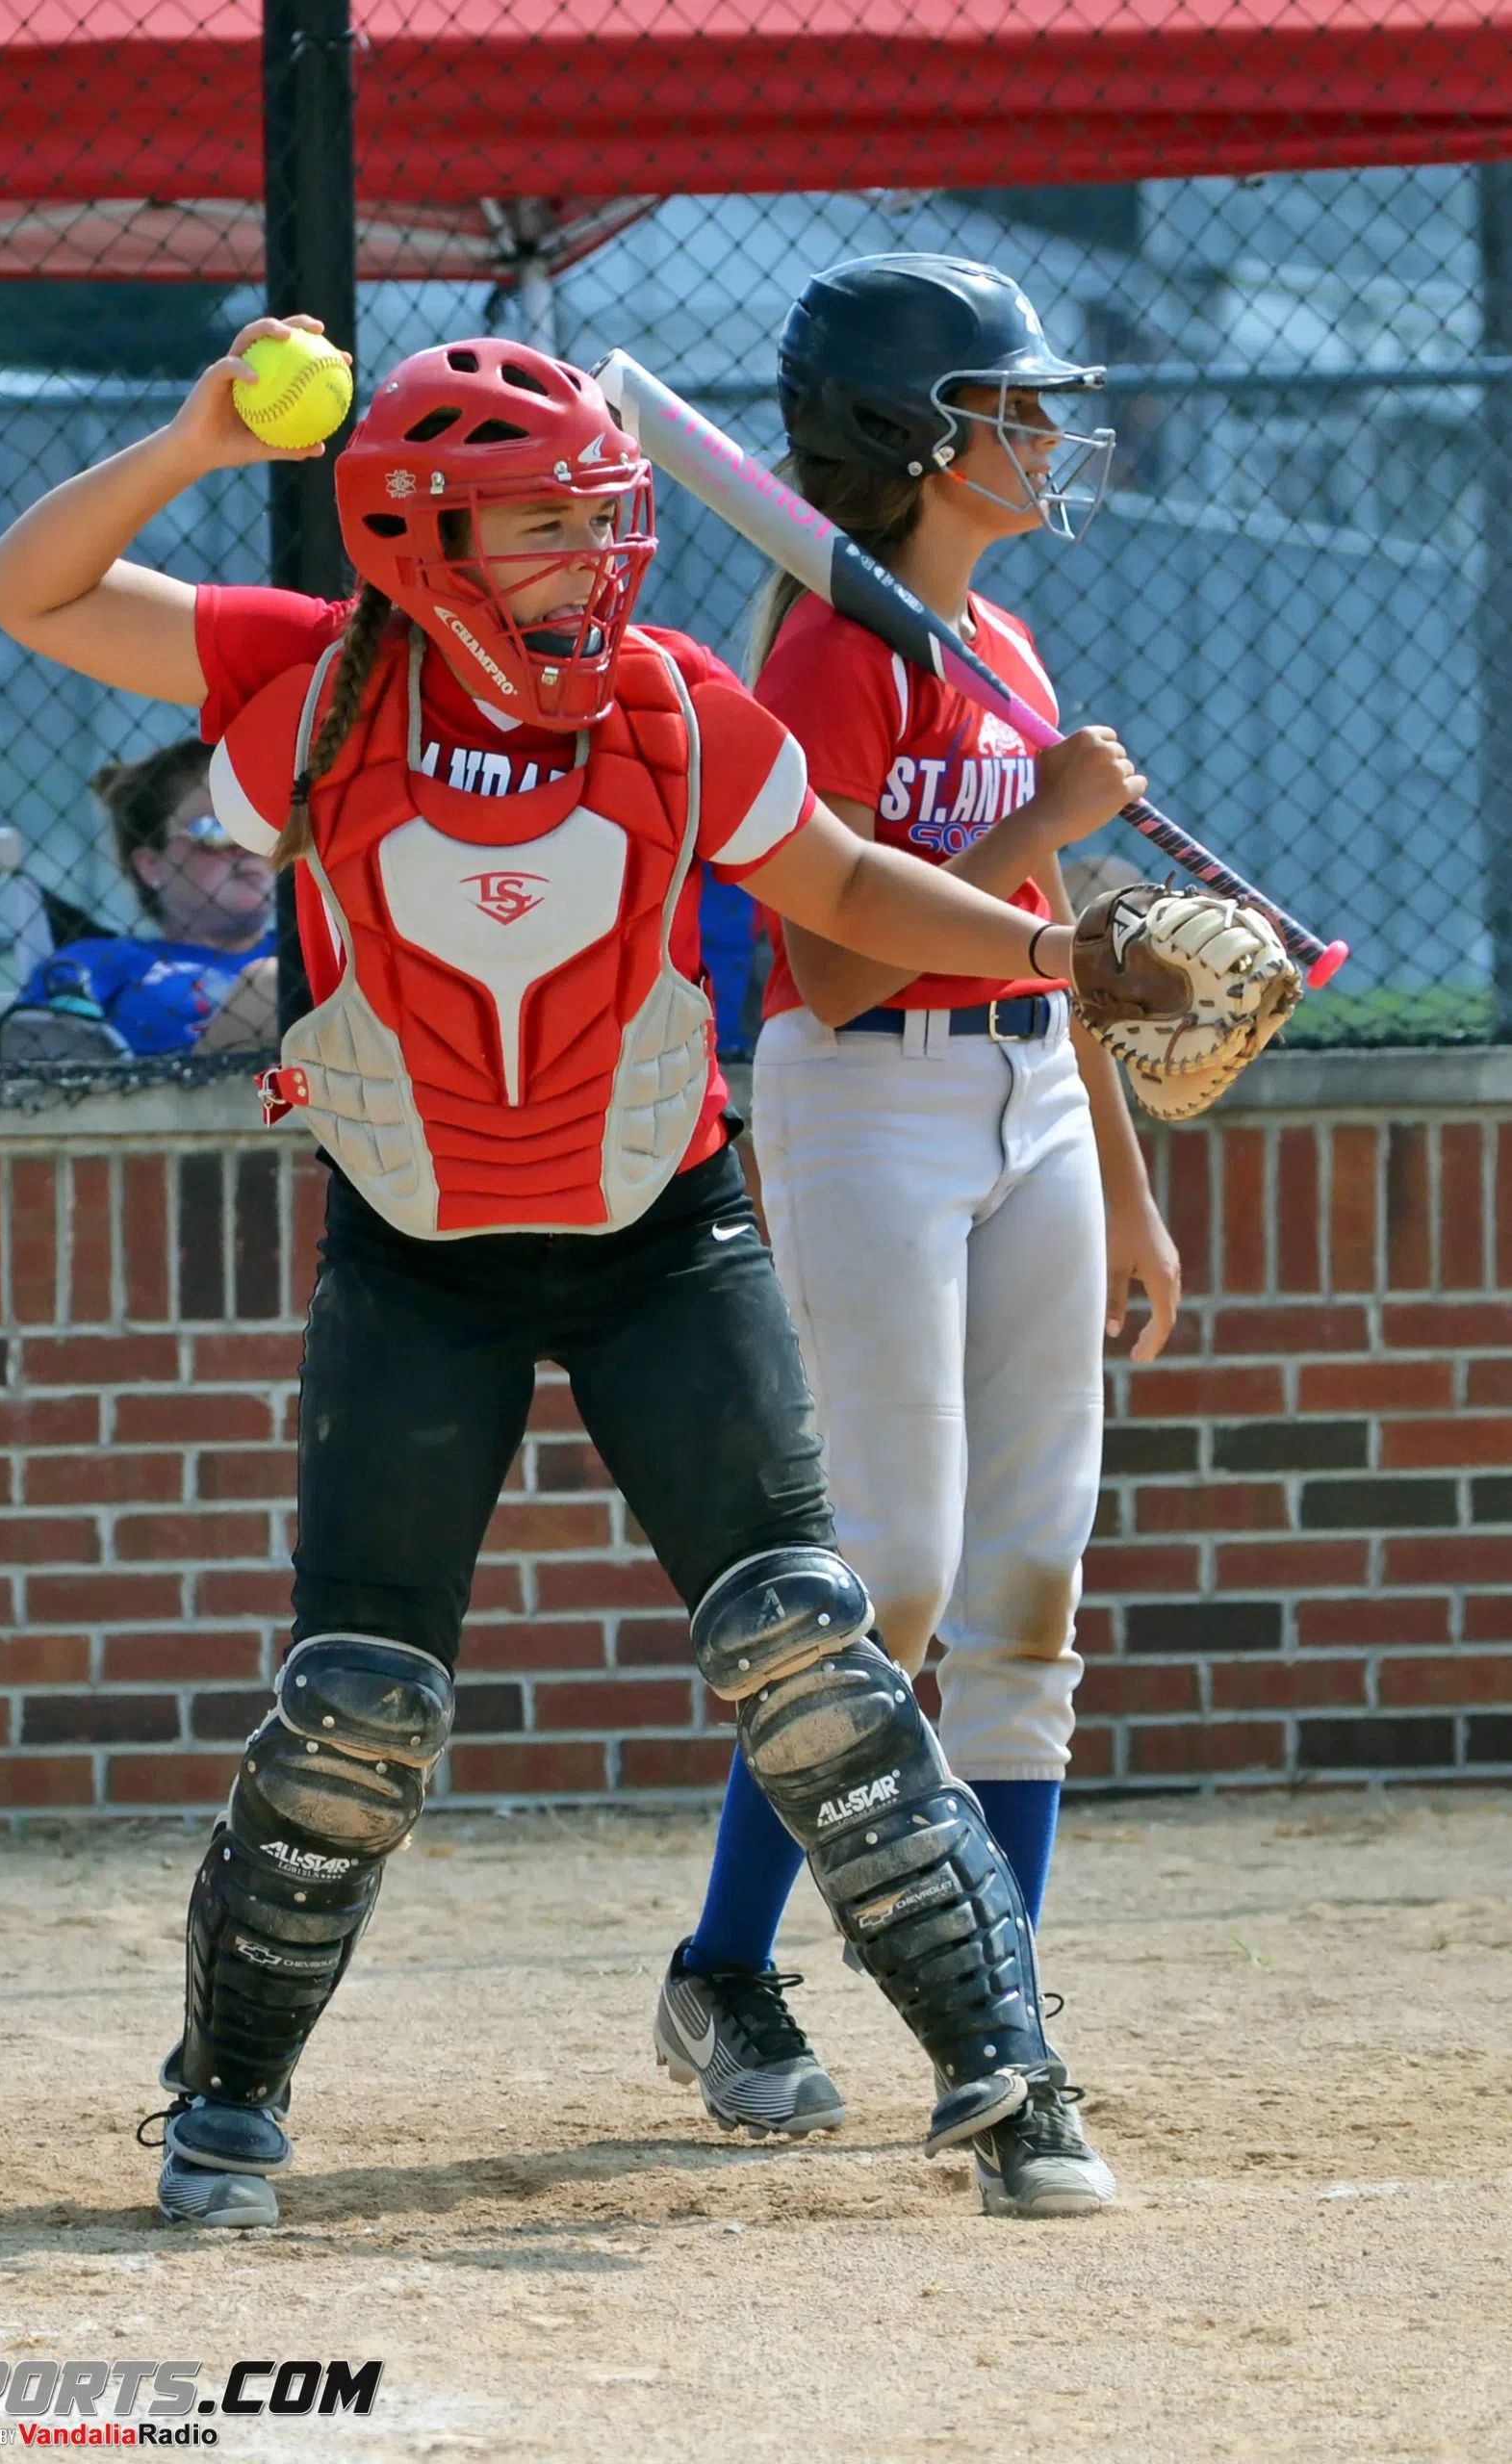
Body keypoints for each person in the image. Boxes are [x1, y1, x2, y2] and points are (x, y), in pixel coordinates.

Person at [0, 314, 1164, 2232]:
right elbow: (26, 586)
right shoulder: (310, 680)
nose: (599, 557)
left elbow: (848, 887)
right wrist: (200, 436)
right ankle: (227, 2096)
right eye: (541, 523)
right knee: (357, 1702)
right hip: (416, 1256)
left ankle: (1002, 2068)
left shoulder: (672, 701)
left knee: (808, 1640)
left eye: (604, 516)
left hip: (655, 1241)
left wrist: (1054, 956)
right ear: (419, 537)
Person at [655, 255, 1182, 2218]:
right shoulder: (826, 654)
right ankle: (722, 1966)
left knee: (1031, 1564)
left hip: (1031, 1096)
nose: (1037, 435)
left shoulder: (1010, 646)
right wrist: (1032, 814)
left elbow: (1050, 965)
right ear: (902, 435)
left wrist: (1123, 1187)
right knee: (886, 1568)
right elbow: (832, 950)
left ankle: (1004, 2014)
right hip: (861, 1097)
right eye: (1000, 405)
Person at [0, 739, 277, 1059]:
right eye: (215, 830)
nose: (243, 846)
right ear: (151, 866)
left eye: (257, 824)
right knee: (269, 986)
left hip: (307, 1099)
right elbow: (35, 1042)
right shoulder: (107, 961)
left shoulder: (315, 953)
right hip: (172, 1102)